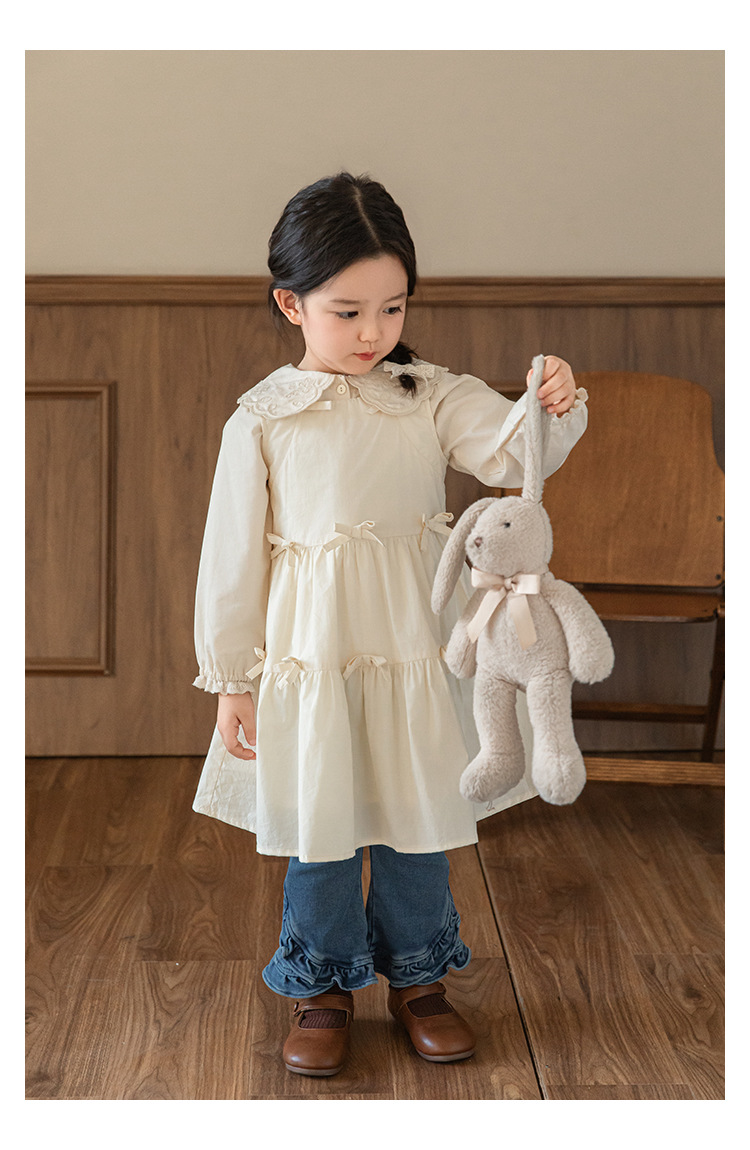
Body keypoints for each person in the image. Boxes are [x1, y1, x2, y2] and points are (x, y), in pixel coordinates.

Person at [192, 172, 588, 1077]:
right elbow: (230, 558)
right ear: (291, 304)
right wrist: (232, 678)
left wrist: (549, 401)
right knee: (320, 823)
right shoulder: (262, 418)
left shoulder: (429, 394)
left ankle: (419, 978)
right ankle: (323, 985)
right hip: (313, 653)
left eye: (392, 307)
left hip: (416, 644)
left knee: (420, 816)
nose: (373, 331)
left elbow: (509, 451)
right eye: (347, 311)